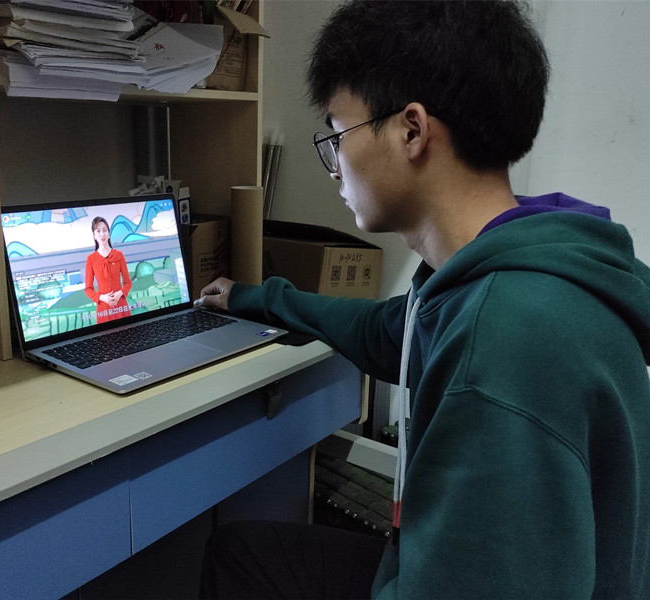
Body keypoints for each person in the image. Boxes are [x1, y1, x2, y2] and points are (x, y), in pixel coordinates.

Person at [195, 0, 650, 598]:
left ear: (412, 130)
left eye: (337, 136)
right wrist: (255, 298)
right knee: (240, 553)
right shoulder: (513, 262)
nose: (335, 168)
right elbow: (390, 332)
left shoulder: (503, 342)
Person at [85, 216, 133, 324]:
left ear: (109, 233)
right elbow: (88, 289)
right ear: (94, 235)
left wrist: (120, 293)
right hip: (104, 308)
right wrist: (102, 297)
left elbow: (128, 283)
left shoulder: (119, 255)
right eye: (98, 231)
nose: (102, 234)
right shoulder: (91, 259)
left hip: (121, 305)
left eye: (105, 230)